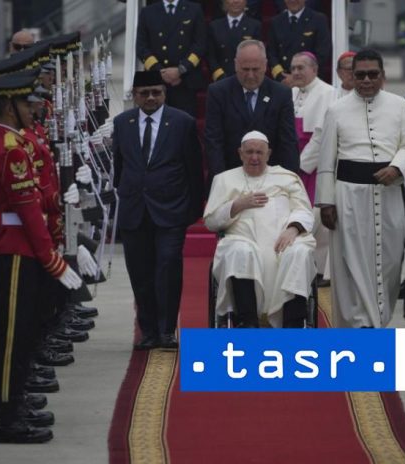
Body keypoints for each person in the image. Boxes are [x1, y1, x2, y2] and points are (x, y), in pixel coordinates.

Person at [0, 72, 82, 443]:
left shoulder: (17, 141)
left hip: (23, 246)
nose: (33, 108)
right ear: (10, 106)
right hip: (16, 249)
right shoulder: (11, 148)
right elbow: (26, 210)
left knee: (23, 334)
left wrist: (56, 202)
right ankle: (8, 418)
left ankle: (15, 403)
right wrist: (52, 259)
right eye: (26, 103)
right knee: (13, 339)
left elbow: (37, 199)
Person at [315, 49, 405, 328]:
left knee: (390, 263)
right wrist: (326, 202)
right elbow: (326, 161)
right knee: (351, 264)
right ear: (352, 76)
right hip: (349, 196)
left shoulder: (398, 105)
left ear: (382, 76)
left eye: (372, 74)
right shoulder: (336, 110)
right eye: (360, 75)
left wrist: (397, 167)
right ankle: (361, 325)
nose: (366, 80)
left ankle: (379, 321)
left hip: (389, 194)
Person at [112, 71, 204, 351]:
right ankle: (149, 331)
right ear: (135, 95)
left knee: (168, 267)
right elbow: (119, 166)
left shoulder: (182, 122)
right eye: (144, 93)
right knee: (140, 273)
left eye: (156, 92)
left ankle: (167, 331)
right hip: (134, 210)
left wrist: (191, 210)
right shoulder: (122, 123)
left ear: (164, 93)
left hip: (171, 210)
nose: (151, 98)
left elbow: (193, 168)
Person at [204, 131, 315, 328]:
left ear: (268, 154)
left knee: (299, 252)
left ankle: (293, 324)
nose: (254, 157)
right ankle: (247, 322)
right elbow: (211, 221)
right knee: (239, 252)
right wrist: (238, 204)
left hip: (284, 240)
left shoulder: (287, 177)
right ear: (240, 153)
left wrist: (293, 229)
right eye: (249, 152)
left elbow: (304, 210)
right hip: (242, 239)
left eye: (259, 152)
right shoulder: (224, 179)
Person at [204, 39, 298, 177]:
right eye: (245, 69)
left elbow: (288, 142)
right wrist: (222, 179)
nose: (250, 75)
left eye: (255, 69)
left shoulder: (281, 94)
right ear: (236, 64)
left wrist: (289, 179)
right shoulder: (218, 92)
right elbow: (214, 141)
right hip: (230, 174)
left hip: (270, 176)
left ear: (265, 65)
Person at [290, 52, 334, 285]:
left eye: (301, 68)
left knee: (317, 221)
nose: (296, 72)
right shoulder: (292, 92)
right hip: (293, 161)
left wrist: (300, 165)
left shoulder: (327, 93)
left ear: (314, 70)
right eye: (293, 68)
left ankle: (318, 270)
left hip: (312, 166)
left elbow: (320, 135)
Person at [136, 0, 207, 116]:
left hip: (185, 80)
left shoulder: (194, 9)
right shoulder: (147, 12)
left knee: (184, 123)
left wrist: (181, 70)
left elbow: (200, 45)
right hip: (156, 82)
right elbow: (141, 48)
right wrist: (160, 71)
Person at [267, 0, 331, 87]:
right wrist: (281, 76)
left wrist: (298, 76)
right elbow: (271, 54)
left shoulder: (318, 19)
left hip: (310, 82)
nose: (293, 1)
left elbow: (323, 53)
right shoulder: (276, 21)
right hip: (284, 83)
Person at [207, 0, 261, 82]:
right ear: (225, 2)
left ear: (245, 2)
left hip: (245, 78)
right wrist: (219, 74)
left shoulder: (254, 25)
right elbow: (210, 55)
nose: (236, 1)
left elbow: (256, 55)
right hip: (221, 78)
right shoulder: (215, 26)